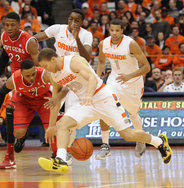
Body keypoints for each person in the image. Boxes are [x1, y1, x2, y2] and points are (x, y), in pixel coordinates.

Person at [37, 48, 172, 174]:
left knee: (128, 135)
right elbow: (55, 102)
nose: (45, 69)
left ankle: (159, 141)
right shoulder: (54, 76)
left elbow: (91, 78)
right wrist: (51, 126)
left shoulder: (73, 62)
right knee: (62, 125)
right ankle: (60, 160)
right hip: (84, 102)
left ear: (53, 59)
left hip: (102, 97)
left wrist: (89, 95)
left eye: (45, 65)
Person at [34, 8, 93, 164]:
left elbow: (87, 57)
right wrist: (27, 42)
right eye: (71, 19)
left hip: (78, 76)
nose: (73, 22)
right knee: (61, 110)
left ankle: (67, 152)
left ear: (82, 22)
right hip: (60, 74)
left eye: (77, 20)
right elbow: (35, 39)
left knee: (70, 115)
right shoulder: (57, 29)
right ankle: (63, 152)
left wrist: (77, 38)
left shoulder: (86, 35)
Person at [0, 12, 40, 169]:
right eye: (6, 25)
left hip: (32, 78)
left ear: (19, 25)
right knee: (10, 110)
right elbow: (4, 55)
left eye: (12, 25)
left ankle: (56, 147)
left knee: (41, 111)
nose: (9, 28)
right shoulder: (4, 36)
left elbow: (38, 67)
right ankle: (9, 157)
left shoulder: (29, 41)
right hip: (16, 76)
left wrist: (33, 84)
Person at [95, 18, 151, 160]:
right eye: (111, 30)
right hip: (114, 80)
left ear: (122, 30)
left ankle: (139, 138)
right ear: (109, 29)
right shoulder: (104, 43)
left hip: (133, 82)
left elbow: (146, 67)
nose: (114, 33)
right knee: (105, 104)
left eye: (117, 30)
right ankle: (105, 145)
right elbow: (101, 61)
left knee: (133, 114)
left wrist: (129, 76)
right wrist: (96, 78)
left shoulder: (131, 44)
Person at [0, 59, 59, 169]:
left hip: (44, 99)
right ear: (21, 74)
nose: (31, 78)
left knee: (50, 131)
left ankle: (57, 156)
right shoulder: (15, 79)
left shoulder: (44, 74)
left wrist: (56, 99)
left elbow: (60, 87)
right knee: (18, 133)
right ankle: (23, 135)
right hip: (24, 100)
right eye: (27, 75)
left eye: (33, 74)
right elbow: (1, 93)